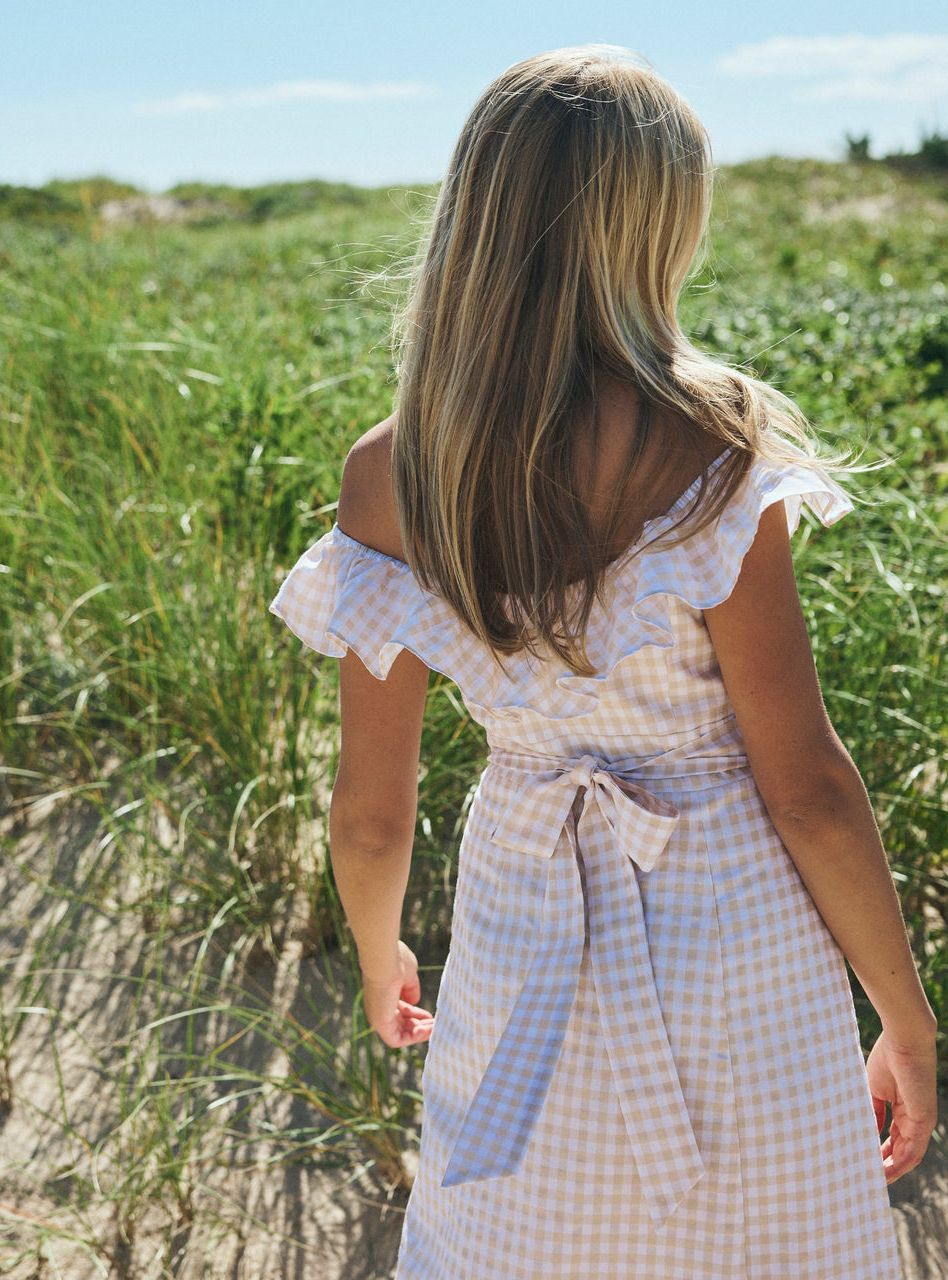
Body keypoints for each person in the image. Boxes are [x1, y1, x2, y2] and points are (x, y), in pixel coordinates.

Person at [270, 45, 937, 1279]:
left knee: (523, 1233)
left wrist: (379, 954)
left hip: (522, 905)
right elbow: (805, 782)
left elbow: (371, 810)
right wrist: (904, 1012)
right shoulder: (709, 439)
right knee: (766, 1232)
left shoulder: (395, 470)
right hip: (735, 922)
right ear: (656, 228)